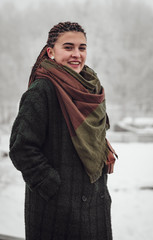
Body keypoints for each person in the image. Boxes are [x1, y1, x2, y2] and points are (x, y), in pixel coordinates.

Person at [9, 21, 117, 240]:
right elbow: (21, 148)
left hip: (95, 202)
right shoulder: (41, 91)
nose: (76, 54)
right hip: (57, 212)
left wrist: (101, 145)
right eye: (68, 47)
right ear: (51, 52)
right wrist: (54, 188)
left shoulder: (90, 87)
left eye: (82, 48)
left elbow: (90, 132)